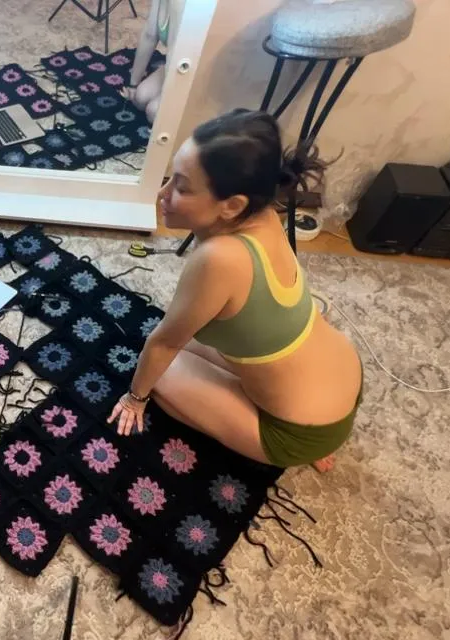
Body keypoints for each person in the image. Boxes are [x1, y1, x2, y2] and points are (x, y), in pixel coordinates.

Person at [107, 109, 363, 471]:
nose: (163, 194)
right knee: (193, 340)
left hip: (298, 432)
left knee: (159, 372)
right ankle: (295, 426)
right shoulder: (265, 215)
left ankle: (299, 448)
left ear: (232, 206)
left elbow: (163, 343)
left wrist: (135, 399)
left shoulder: (220, 259)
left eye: (181, 187)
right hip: (344, 380)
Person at [127, 0, 185, 123]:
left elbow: (176, 54)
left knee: (153, 111)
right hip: (174, 63)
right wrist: (133, 85)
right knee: (140, 97)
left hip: (197, 74)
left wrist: (165, 98)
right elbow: (149, 35)